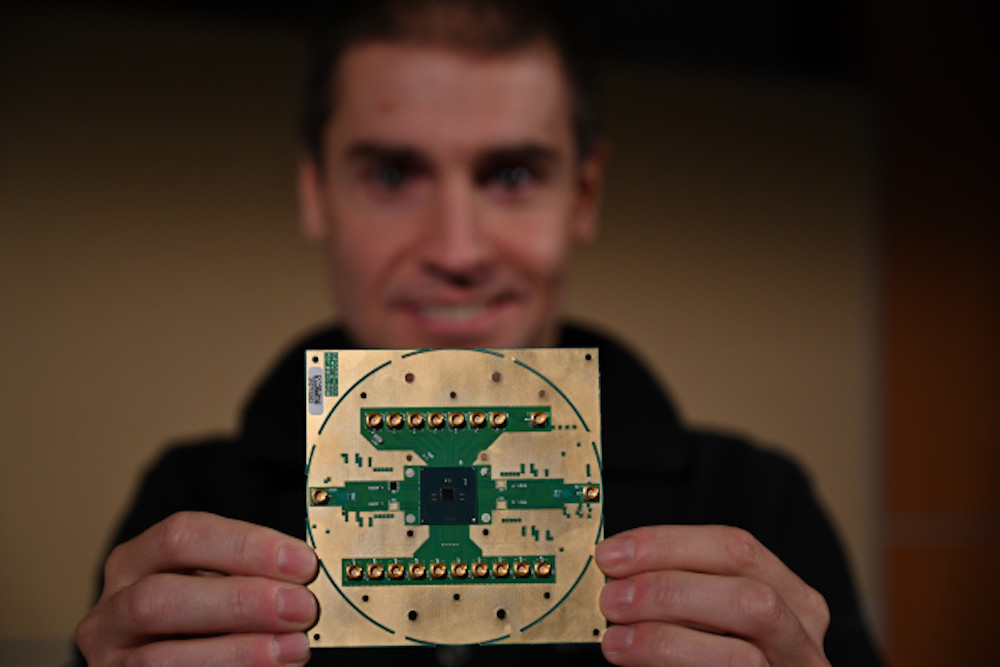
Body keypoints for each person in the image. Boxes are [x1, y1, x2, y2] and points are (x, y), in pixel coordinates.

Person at [74, 1, 881, 665]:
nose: (457, 250)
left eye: (512, 175)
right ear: (317, 192)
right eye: (392, 174)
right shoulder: (190, 513)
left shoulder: (754, 509)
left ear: (585, 194)